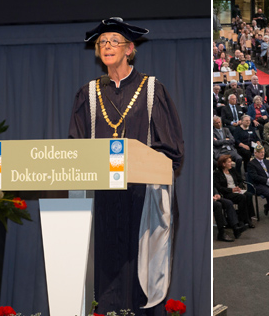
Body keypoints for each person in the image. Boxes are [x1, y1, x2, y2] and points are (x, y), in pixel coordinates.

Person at [69, 18, 184, 314]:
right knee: (104, 273)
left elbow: (171, 149)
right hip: (103, 199)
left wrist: (140, 161)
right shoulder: (88, 94)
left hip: (140, 198)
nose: (106, 46)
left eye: (113, 41)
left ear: (129, 48)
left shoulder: (151, 89)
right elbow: (75, 149)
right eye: (102, 42)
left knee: (138, 273)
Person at [213, 155, 256, 231]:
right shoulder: (217, 173)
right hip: (227, 193)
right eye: (229, 162)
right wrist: (231, 190)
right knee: (242, 198)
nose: (231, 163)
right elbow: (219, 187)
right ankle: (243, 220)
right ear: (223, 164)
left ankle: (248, 218)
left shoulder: (232, 170)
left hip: (236, 190)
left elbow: (240, 180)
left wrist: (238, 187)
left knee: (248, 195)